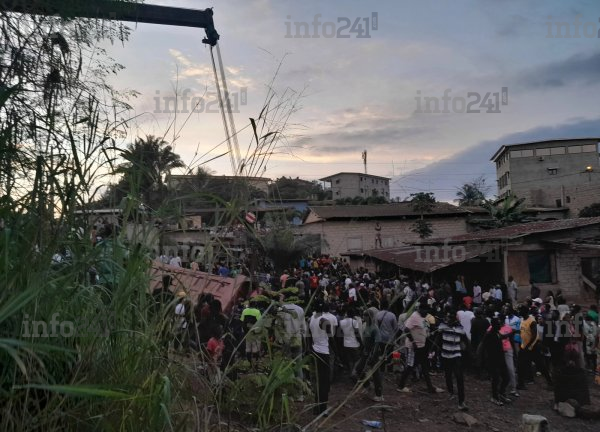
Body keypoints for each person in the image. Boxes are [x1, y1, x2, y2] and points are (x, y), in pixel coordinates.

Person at [397, 302, 444, 394]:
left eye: (427, 311)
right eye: (425, 311)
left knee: (424, 366)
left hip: (421, 346)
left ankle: (430, 387)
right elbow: (406, 329)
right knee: (410, 366)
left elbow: (423, 328)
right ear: (420, 309)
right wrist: (413, 342)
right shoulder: (414, 316)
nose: (426, 313)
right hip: (413, 347)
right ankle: (401, 386)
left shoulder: (423, 316)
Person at [436, 309, 469, 411]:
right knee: (448, 375)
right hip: (445, 355)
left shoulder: (459, 327)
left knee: (459, 377)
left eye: (451, 317)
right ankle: (451, 392)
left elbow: (465, 339)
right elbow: (438, 338)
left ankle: (461, 401)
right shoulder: (442, 326)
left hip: (456, 355)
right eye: (448, 317)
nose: (449, 319)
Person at [308, 300, 334, 416]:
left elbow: (308, 336)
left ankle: (316, 407)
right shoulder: (324, 321)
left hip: (315, 351)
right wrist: (337, 354)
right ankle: (322, 409)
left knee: (318, 381)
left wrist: (309, 348)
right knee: (324, 383)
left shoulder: (311, 319)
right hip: (323, 353)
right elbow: (331, 339)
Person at [355, 307, 384, 402]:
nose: (364, 317)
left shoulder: (374, 328)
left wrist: (373, 355)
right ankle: (367, 385)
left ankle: (379, 395)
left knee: (375, 373)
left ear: (371, 316)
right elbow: (365, 341)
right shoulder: (365, 326)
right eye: (363, 315)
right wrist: (362, 350)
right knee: (358, 369)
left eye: (366, 315)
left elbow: (377, 343)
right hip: (366, 352)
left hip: (373, 353)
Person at [480, 317, 510, 405]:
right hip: (493, 360)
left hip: (501, 359)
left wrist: (510, 333)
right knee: (496, 379)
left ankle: (501, 393)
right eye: (498, 324)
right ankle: (494, 397)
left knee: (506, 377)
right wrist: (484, 360)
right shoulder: (489, 334)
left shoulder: (497, 332)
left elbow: (502, 337)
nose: (500, 325)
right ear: (494, 325)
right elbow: (483, 347)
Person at [339, 305, 361, 375]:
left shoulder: (341, 322)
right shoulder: (354, 322)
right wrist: (361, 342)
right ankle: (354, 372)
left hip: (346, 344)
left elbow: (341, 333)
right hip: (354, 344)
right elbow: (357, 334)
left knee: (350, 360)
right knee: (357, 359)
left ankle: (351, 372)